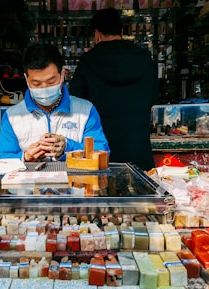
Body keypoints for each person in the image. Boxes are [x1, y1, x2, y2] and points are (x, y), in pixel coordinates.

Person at [68, 8, 158, 171]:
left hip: (100, 154)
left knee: (102, 195)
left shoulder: (88, 61)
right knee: (142, 196)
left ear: (97, 34)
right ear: (122, 31)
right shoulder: (144, 58)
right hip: (139, 151)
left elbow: (75, 102)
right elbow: (154, 97)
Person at [0, 43, 110, 162]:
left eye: (51, 82)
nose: (44, 88)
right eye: (36, 83)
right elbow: (2, 159)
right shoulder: (13, 116)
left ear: (62, 75)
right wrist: (25, 157)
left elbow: (102, 154)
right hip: (31, 180)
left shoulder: (85, 111)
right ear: (26, 79)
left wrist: (67, 147)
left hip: (74, 180)